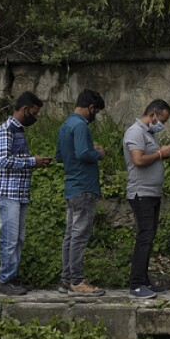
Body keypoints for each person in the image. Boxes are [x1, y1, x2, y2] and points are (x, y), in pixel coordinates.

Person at [0, 92, 54, 296]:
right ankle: (5, 280)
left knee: (18, 239)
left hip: (20, 193)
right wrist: (31, 162)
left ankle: (13, 276)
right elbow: (2, 162)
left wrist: (35, 163)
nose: (35, 117)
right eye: (34, 112)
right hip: (8, 193)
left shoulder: (18, 131)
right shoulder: (6, 130)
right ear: (25, 109)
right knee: (9, 239)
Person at [123, 99, 170, 299]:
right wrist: (160, 153)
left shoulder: (148, 133)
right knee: (144, 237)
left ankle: (144, 281)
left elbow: (151, 156)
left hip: (152, 193)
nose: (163, 124)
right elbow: (138, 160)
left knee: (149, 236)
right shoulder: (135, 132)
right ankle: (136, 284)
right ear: (152, 114)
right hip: (141, 193)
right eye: (162, 119)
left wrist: (162, 154)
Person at [56, 89, 107, 297]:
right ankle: (77, 280)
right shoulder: (80, 126)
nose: (96, 115)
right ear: (91, 107)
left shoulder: (65, 125)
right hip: (84, 187)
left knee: (70, 234)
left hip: (71, 186)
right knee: (79, 235)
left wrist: (86, 150)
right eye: (96, 111)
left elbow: (60, 156)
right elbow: (84, 153)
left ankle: (66, 279)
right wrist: (98, 153)